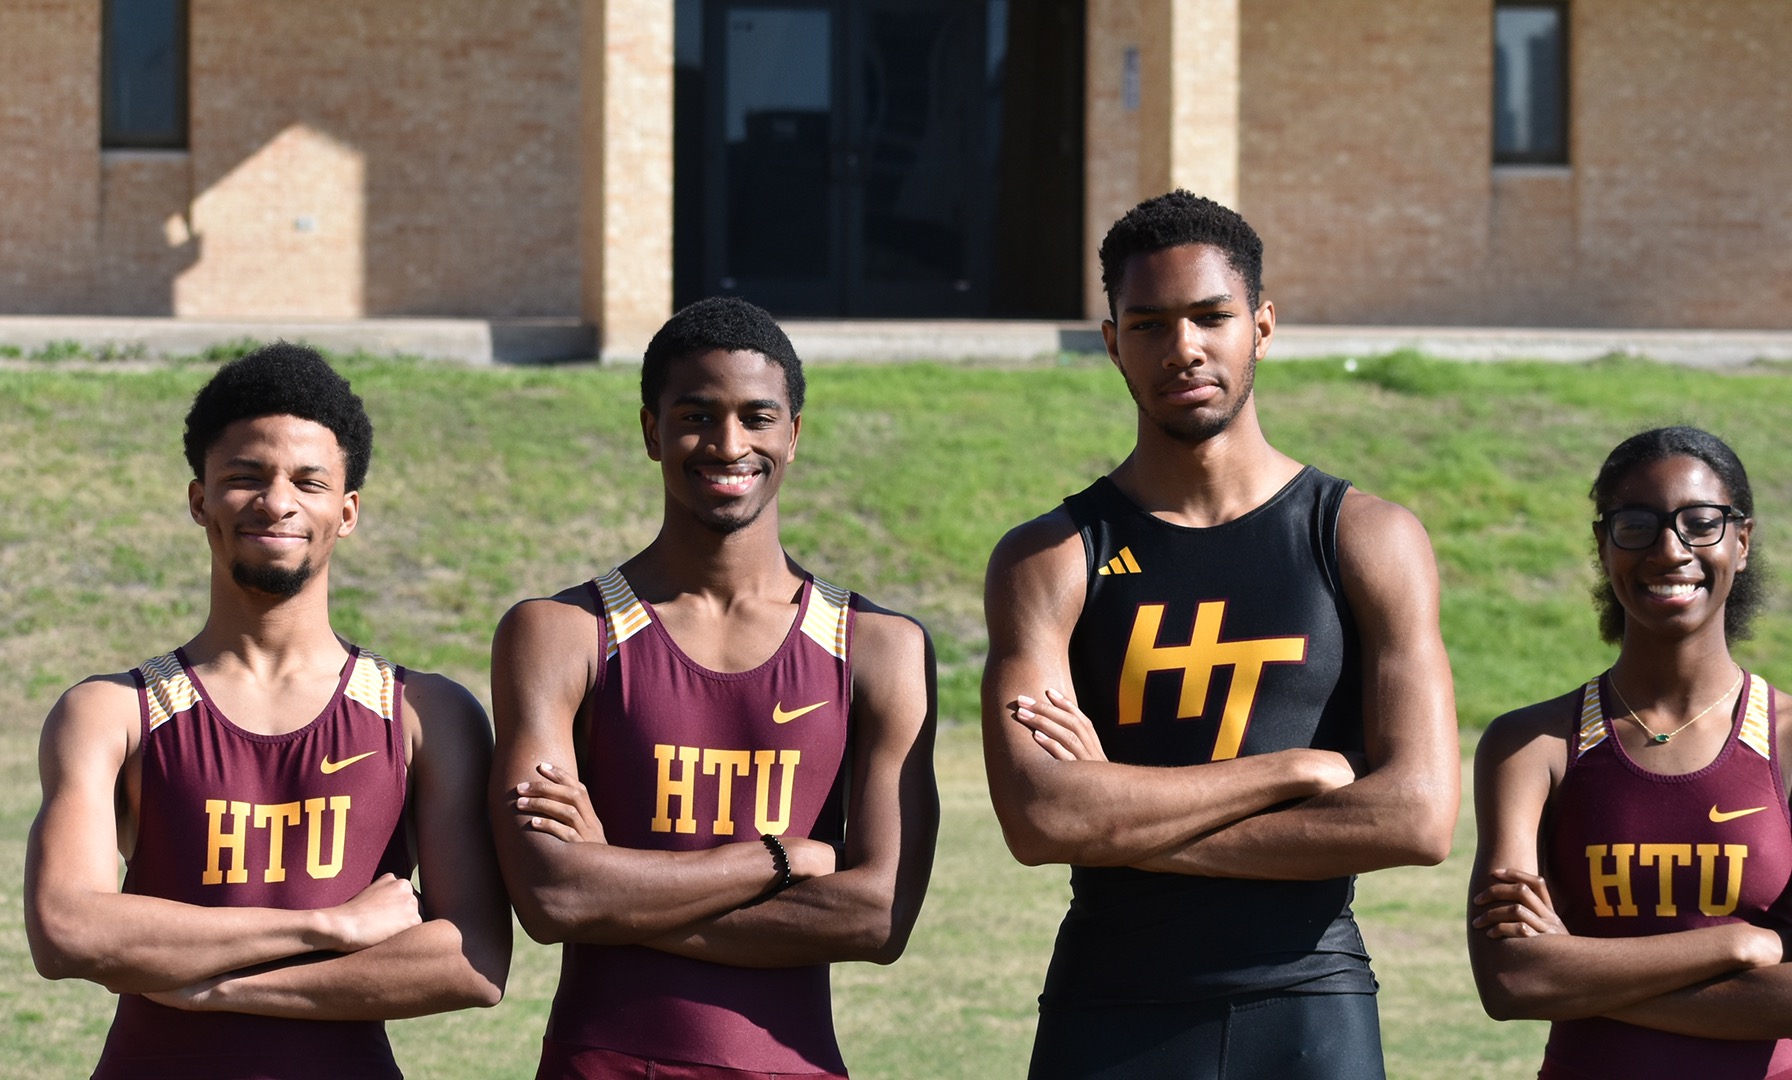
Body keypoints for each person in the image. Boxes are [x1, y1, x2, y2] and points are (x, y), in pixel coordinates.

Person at [979, 189, 1459, 1079]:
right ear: (1112, 341)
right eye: (1149, 324)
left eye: (1211, 317)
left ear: (1262, 327)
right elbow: (1042, 818)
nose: (1183, 347)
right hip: (1110, 1008)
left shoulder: (1366, 537)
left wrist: (1119, 819)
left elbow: (1417, 817)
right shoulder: (1048, 558)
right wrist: (1290, 773)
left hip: (1310, 1003)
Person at [24, 343, 510, 1079]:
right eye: (245, 478)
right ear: (199, 501)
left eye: (308, 482)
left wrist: (219, 988)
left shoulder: (424, 713)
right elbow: (67, 930)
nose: (276, 502)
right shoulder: (110, 712)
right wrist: (329, 925)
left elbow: (470, 963)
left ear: (347, 512)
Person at [490, 296, 939, 1080]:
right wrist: (781, 859)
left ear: (793, 434)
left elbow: (876, 917)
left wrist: (616, 889)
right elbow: (551, 898)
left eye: (757, 418)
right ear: (651, 432)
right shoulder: (560, 633)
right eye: (697, 416)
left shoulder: (877, 647)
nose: (730, 444)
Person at [1468, 426, 1792, 1079]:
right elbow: (1511, 981)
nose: (1669, 550)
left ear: (1742, 542)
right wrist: (1736, 945)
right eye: (1636, 525)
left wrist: (1576, 971)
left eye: (1701, 524)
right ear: (1604, 546)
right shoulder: (1532, 745)